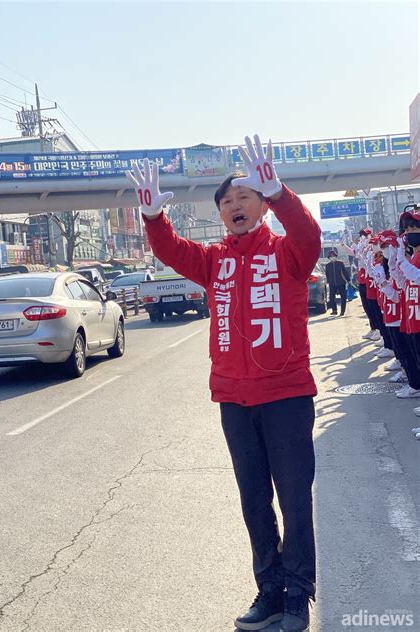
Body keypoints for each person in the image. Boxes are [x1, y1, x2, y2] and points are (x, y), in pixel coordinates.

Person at [126, 135, 321, 632]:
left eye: (244, 198)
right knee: (254, 499)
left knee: (294, 499)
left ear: (261, 205)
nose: (234, 206)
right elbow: (172, 250)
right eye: (226, 203)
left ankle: (299, 595)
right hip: (233, 398)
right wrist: (153, 220)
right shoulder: (215, 262)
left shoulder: (287, 253)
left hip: (286, 396)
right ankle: (269, 592)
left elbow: (309, 237)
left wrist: (281, 193)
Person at [324, 250, 349, 315]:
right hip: (332, 284)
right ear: (329, 258)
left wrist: (348, 280)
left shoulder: (340, 264)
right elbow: (327, 274)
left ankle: (342, 311)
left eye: (333, 256)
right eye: (331, 256)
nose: (332, 257)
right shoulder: (327, 266)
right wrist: (328, 281)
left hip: (341, 283)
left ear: (336, 256)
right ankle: (334, 310)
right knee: (331, 298)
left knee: (343, 298)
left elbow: (344, 272)